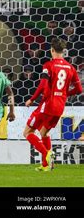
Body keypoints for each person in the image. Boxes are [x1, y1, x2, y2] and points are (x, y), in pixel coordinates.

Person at [23, 38, 82, 171]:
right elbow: (79, 90)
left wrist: (31, 99)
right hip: (60, 106)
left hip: (48, 104)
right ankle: (47, 165)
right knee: (44, 133)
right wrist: (65, 93)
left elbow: (43, 85)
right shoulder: (71, 68)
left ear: (52, 50)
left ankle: (47, 153)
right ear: (64, 51)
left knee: (27, 132)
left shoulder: (48, 65)